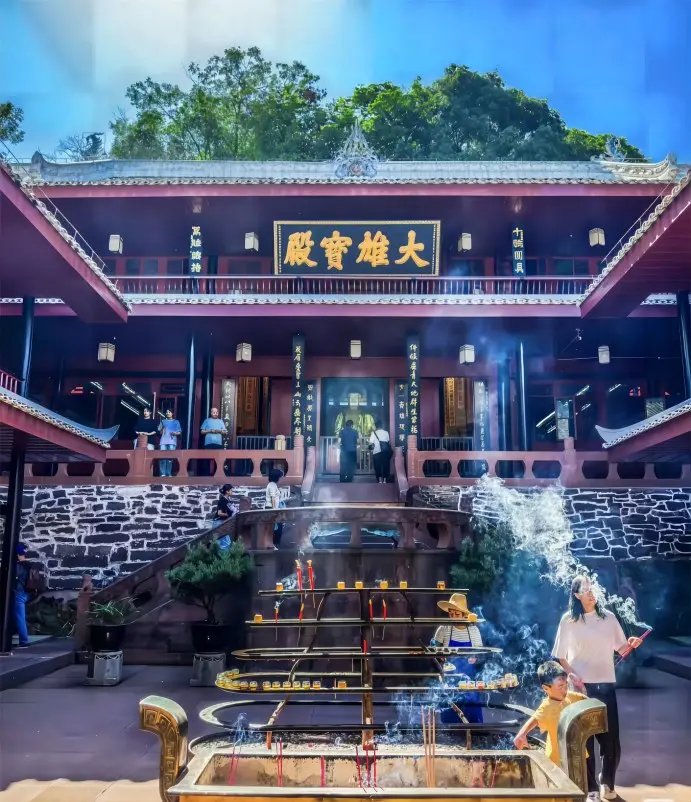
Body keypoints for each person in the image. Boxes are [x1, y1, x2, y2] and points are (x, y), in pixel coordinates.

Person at [552, 575, 643, 801]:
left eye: (592, 589)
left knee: (610, 738)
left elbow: (621, 649)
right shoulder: (568, 621)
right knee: (585, 741)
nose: (591, 593)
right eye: (585, 590)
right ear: (576, 595)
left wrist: (631, 644)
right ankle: (590, 787)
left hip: (606, 685)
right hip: (580, 689)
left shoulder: (608, 618)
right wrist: (571, 673)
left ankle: (607, 783)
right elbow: (561, 657)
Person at [513, 660, 588, 768]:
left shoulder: (570, 696)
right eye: (560, 686)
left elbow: (587, 702)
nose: (565, 689)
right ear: (546, 688)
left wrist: (580, 687)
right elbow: (535, 718)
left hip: (578, 755)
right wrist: (521, 734)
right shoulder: (546, 707)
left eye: (566, 684)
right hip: (558, 762)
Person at [433, 593, 484, 724]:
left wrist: (475, 657)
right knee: (450, 706)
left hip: (469, 678)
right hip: (450, 677)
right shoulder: (443, 629)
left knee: (471, 708)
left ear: (464, 615)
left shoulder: (473, 631)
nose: (453, 617)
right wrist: (439, 654)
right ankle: (451, 735)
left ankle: (475, 734)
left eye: (456, 614)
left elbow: (480, 653)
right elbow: (433, 648)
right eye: (451, 614)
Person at [200, 407, 227, 476]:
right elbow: (202, 431)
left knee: (218, 460)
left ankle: (217, 475)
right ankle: (206, 475)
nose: (215, 414)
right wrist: (210, 431)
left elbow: (225, 431)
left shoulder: (220, 421)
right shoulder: (207, 420)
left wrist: (219, 431)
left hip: (218, 443)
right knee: (206, 459)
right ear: (211, 413)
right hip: (208, 443)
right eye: (214, 412)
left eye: (216, 412)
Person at [14, 543, 31, 649]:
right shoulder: (29, 565)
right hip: (26, 592)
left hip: (18, 593)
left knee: (20, 617)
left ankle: (23, 641)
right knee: (19, 616)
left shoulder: (18, 566)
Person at [158, 409, 182, 477]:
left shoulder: (176, 422)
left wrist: (175, 433)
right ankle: (162, 473)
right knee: (162, 458)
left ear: (172, 413)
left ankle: (168, 473)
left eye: (169, 412)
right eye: (167, 412)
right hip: (163, 441)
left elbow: (179, 432)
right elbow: (159, 431)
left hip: (172, 441)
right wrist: (162, 428)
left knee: (169, 458)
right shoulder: (163, 421)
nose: (168, 413)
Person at [212, 484, 238, 548]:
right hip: (218, 522)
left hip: (223, 522)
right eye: (231, 490)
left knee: (224, 542)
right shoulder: (222, 500)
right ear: (227, 491)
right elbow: (219, 513)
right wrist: (228, 515)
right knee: (225, 542)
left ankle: (222, 556)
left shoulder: (227, 500)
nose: (232, 492)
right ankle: (223, 557)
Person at [265, 468, 285, 550]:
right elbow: (273, 498)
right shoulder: (272, 485)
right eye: (280, 477)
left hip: (273, 508)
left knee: (277, 527)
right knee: (274, 528)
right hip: (271, 508)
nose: (280, 479)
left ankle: (273, 544)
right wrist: (274, 510)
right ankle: (272, 544)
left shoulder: (273, 485)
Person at [369, 419, 392, 483]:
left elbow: (371, 443)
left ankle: (379, 480)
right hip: (385, 452)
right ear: (382, 426)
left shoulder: (373, 433)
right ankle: (384, 480)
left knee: (377, 466)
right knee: (385, 465)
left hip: (376, 452)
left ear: (376, 426)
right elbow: (388, 442)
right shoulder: (386, 432)